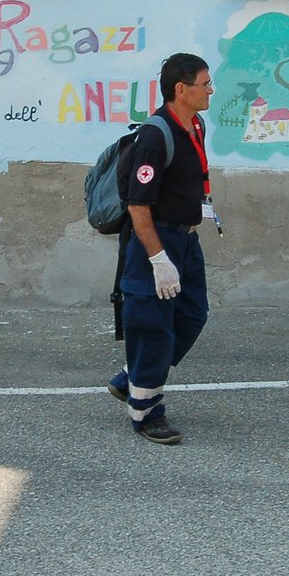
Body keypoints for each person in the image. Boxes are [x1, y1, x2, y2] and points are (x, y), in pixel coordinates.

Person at [108, 53, 218, 445]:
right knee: (153, 326)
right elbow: (139, 206)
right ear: (181, 89)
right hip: (155, 240)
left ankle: (131, 377)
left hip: (186, 239)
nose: (210, 91)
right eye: (205, 84)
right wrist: (158, 260)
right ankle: (146, 412)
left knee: (192, 314)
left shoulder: (196, 125)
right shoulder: (156, 135)